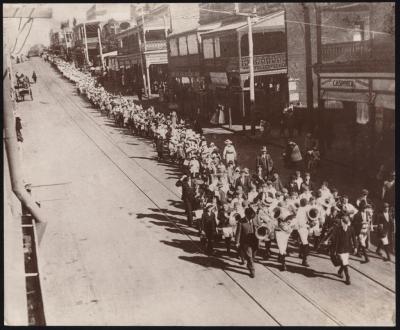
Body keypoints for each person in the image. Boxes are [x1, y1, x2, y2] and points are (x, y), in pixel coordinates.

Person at [330, 215, 357, 285]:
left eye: (343, 222)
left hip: (347, 248)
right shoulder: (338, 229)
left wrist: (355, 247)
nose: (342, 223)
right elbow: (336, 241)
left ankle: (339, 271)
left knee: (344, 262)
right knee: (345, 262)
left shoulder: (351, 229)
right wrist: (334, 251)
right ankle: (348, 278)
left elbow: (354, 239)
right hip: (340, 249)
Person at [235, 207, 258, 278]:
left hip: (255, 241)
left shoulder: (254, 219)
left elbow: (260, 226)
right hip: (246, 242)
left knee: (253, 256)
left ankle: (249, 264)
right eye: (250, 217)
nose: (251, 219)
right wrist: (237, 242)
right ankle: (252, 271)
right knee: (250, 257)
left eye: (252, 217)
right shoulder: (241, 222)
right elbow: (238, 233)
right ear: (246, 215)